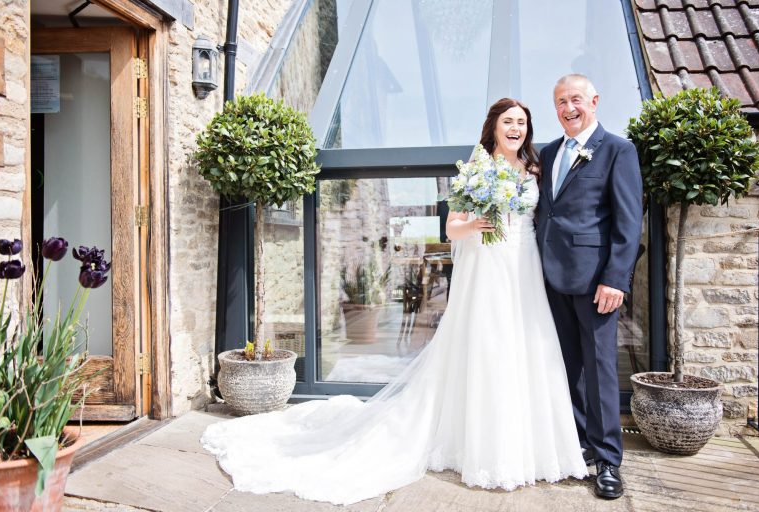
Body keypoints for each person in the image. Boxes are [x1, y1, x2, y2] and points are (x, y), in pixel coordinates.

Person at [201, 98, 587, 506]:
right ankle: (481, 444)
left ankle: (530, 444)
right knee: (487, 348)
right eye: (508, 121)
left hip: (524, 270)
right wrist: (473, 223)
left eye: (522, 123)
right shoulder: (475, 170)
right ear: (493, 127)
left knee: (526, 348)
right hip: (488, 272)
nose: (515, 128)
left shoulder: (536, 170)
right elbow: (453, 228)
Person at [534, 74, 643, 500]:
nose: (568, 108)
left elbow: (628, 222)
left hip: (596, 281)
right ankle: (579, 444)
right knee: (568, 367)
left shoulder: (618, 150)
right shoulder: (548, 152)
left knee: (599, 371)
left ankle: (609, 461)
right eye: (560, 101)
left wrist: (616, 278)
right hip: (549, 279)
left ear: (594, 100)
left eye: (575, 99)